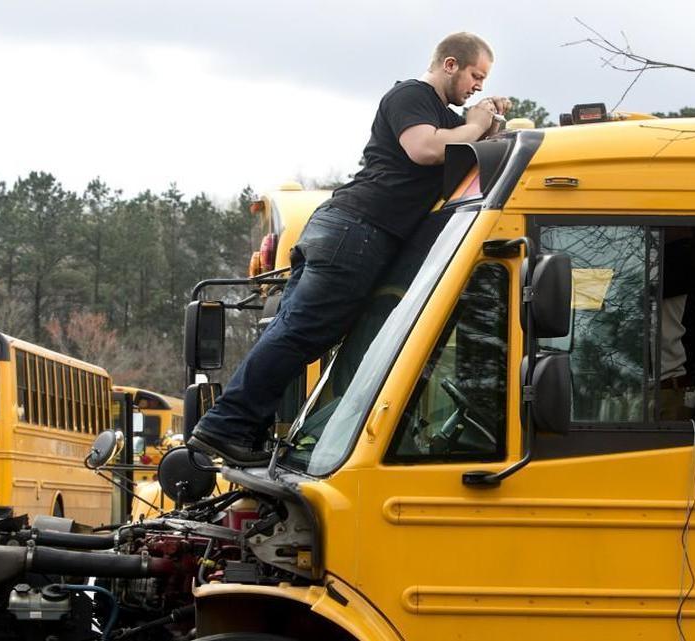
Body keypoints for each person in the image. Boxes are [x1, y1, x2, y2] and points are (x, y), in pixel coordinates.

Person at [189, 32, 510, 465]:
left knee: (296, 335)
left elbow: (464, 151)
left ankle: (242, 431)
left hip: (348, 231)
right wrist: (473, 123)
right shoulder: (410, 95)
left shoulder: (443, 116)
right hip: (356, 230)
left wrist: (487, 124)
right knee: (302, 332)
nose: (478, 87)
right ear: (450, 64)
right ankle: (225, 427)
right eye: (476, 75)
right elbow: (424, 149)